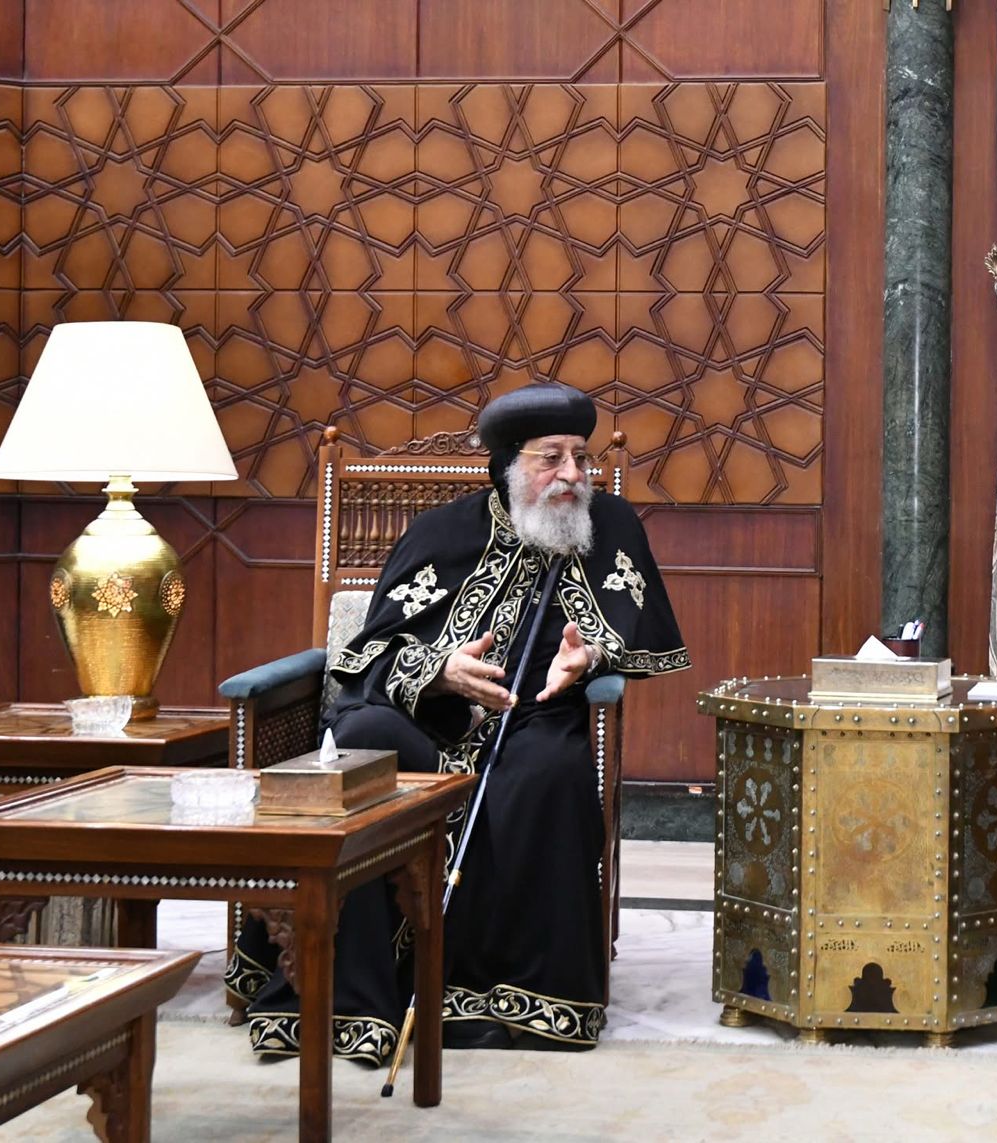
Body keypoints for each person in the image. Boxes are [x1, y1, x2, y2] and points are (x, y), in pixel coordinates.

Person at [226, 382, 689, 1060]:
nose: (571, 475)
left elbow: (639, 628)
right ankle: (347, 995)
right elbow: (370, 651)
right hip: (424, 723)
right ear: (507, 465)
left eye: (581, 458)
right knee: (360, 746)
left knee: (549, 776)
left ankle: (513, 1000)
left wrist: (590, 656)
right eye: (551, 458)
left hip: (535, 719)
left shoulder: (610, 525)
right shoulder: (440, 532)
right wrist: (439, 670)